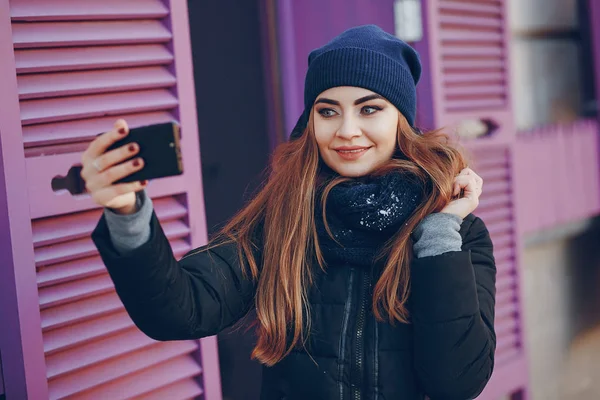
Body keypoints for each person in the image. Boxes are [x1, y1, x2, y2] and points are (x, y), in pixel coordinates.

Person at [83, 25, 496, 400]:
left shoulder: (457, 235)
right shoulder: (284, 220)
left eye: (370, 109)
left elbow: (457, 383)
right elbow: (178, 310)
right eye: (327, 110)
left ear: (402, 120)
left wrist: (440, 233)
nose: (347, 130)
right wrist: (127, 211)